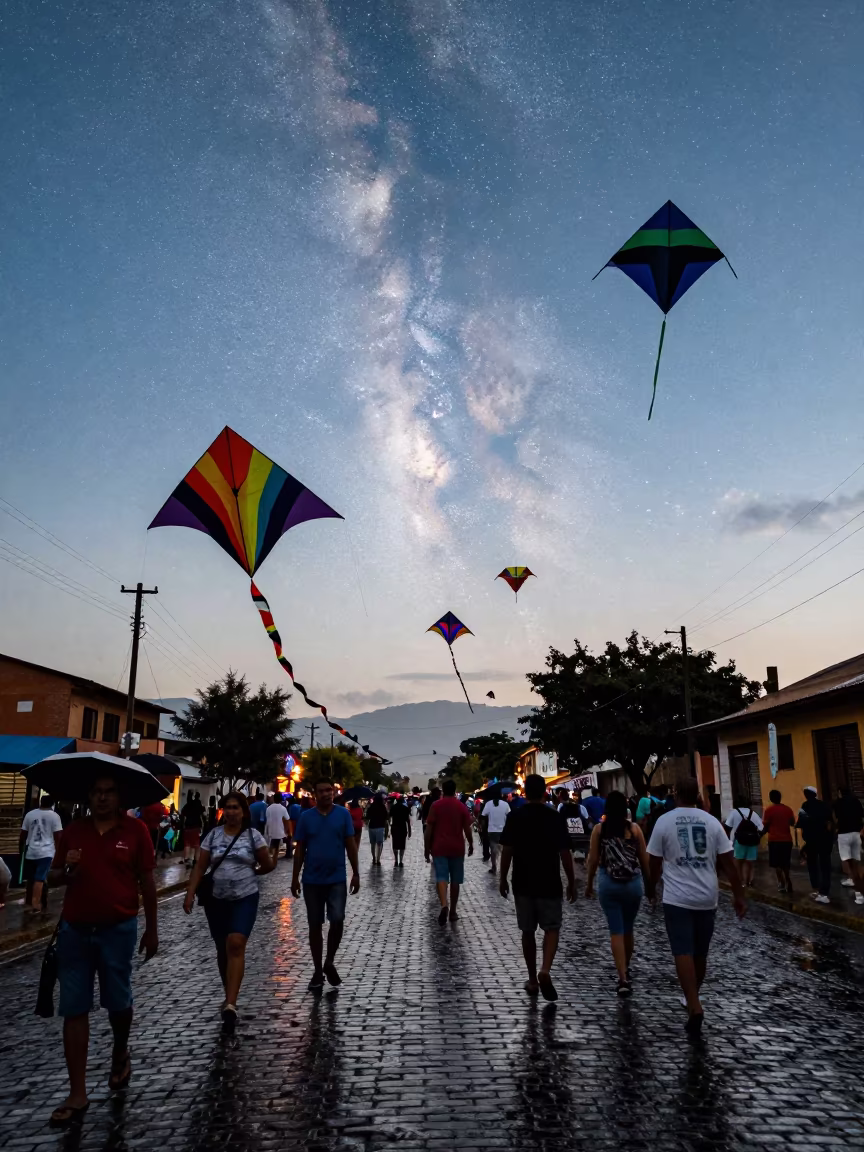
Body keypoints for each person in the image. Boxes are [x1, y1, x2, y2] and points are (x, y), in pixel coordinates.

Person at [46, 774, 158, 1127]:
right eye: (96, 791)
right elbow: (51, 877)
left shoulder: (135, 831)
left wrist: (152, 929)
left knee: (118, 1002)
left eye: (109, 792)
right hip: (75, 930)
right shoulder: (73, 832)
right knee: (74, 1008)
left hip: (118, 930)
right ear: (89, 795)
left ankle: (120, 1051)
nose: (102, 798)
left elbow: (148, 881)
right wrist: (66, 871)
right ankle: (77, 1093)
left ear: (118, 797)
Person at [647, 777, 746, 1037]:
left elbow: (654, 862)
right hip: (707, 896)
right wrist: (739, 895)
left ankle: (693, 1002)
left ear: (676, 793)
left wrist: (650, 888)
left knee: (682, 950)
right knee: (700, 953)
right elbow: (729, 863)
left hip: (677, 897)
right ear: (698, 796)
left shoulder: (664, 821)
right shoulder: (712, 822)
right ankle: (693, 997)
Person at [184, 791, 272, 1034]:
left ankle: (231, 1002)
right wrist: (190, 893)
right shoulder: (212, 836)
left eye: (236, 807)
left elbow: (267, 864)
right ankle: (228, 994)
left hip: (245, 897)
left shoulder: (253, 836)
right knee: (222, 949)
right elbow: (201, 865)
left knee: (236, 943)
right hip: (216, 900)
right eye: (228, 807)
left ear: (243, 812)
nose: (232, 812)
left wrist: (251, 873)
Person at [499, 773, 576, 1001]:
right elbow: (565, 853)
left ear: (525, 793)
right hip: (549, 880)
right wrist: (571, 881)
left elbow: (507, 850)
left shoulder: (516, 816)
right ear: (544, 792)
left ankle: (532, 979)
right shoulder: (554, 817)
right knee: (552, 928)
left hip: (523, 881)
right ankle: (546, 969)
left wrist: (503, 878)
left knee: (527, 931)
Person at [292, 779, 360, 989]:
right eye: (321, 791)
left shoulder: (343, 815)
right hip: (312, 880)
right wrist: (295, 877)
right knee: (315, 924)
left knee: (337, 919)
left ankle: (329, 960)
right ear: (314, 794)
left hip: (337, 878)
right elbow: (300, 849)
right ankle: (317, 971)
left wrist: (356, 873)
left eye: (329, 790)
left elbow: (350, 845)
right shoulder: (306, 818)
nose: (326, 794)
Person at [584, 790, 652, 996]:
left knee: (616, 930)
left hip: (608, 883)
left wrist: (588, 884)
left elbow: (593, 860)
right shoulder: (635, 830)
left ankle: (622, 977)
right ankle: (627, 967)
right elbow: (644, 860)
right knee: (628, 929)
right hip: (633, 885)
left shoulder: (599, 830)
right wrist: (650, 886)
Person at [425, 779, 474, 925]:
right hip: (457, 848)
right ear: (454, 790)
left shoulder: (435, 806)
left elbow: (429, 830)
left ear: (443, 790)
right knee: (455, 880)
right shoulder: (461, 807)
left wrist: (426, 848)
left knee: (441, 877)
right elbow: (467, 828)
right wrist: (471, 843)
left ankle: (444, 905)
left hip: (439, 847)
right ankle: (453, 911)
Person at [19, 795, 63, 914]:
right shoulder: (55, 816)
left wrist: (22, 849)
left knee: (32, 878)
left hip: (31, 851)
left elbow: (23, 834)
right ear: (52, 804)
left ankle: (35, 901)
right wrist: (59, 853)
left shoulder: (30, 814)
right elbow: (58, 836)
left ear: (40, 802)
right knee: (40, 879)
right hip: (46, 852)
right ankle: (35, 904)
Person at [798, 786, 835, 903]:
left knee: (812, 865)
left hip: (811, 841)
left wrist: (805, 838)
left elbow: (802, 824)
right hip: (825, 840)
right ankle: (825, 892)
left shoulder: (804, 806)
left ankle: (816, 889)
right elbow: (830, 822)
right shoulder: (824, 805)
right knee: (825, 865)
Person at [760, 789, 797, 894]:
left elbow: (766, 826)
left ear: (771, 798)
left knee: (777, 864)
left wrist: (760, 834)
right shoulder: (788, 809)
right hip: (787, 840)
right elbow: (792, 822)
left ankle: (781, 883)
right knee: (785, 862)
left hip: (774, 840)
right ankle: (788, 879)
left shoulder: (769, 810)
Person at [724, 796, 764, 888]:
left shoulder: (734, 813)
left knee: (738, 862)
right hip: (752, 841)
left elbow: (727, 827)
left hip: (738, 840)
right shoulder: (753, 813)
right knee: (750, 862)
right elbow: (761, 828)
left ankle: (740, 881)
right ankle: (749, 881)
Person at [833, 786, 864, 905]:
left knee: (849, 865)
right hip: (856, 834)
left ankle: (859, 893)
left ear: (840, 793)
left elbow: (834, 819)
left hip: (844, 835)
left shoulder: (837, 803)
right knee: (856, 862)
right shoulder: (856, 801)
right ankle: (857, 886)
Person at [481, 793, 510, 875]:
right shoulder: (505, 804)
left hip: (492, 831)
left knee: (493, 850)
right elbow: (509, 816)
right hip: (503, 831)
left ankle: (494, 867)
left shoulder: (488, 804)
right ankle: (502, 868)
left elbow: (483, 816)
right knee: (502, 850)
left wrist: (483, 830)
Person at [265, 794, 292, 865]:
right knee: (276, 846)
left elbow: (267, 818)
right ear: (281, 800)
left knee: (273, 844)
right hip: (280, 830)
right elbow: (287, 819)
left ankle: (272, 858)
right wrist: (288, 831)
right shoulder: (283, 808)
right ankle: (274, 860)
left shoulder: (269, 808)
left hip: (270, 830)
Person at [180, 791, 204, 867]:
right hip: (196, 826)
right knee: (196, 844)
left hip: (187, 826)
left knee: (187, 843)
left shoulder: (188, 805)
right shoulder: (198, 805)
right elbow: (202, 814)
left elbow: (183, 813)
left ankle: (187, 859)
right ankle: (196, 860)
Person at [366, 794, 389, 865]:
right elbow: (386, 818)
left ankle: (373, 858)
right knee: (379, 843)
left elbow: (367, 817)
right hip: (380, 827)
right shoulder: (383, 807)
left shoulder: (371, 807)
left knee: (372, 844)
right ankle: (378, 859)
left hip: (372, 827)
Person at [389, 796, 412, 866]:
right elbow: (408, 821)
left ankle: (396, 860)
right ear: (402, 801)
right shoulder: (405, 809)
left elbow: (389, 817)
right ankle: (401, 861)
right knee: (402, 845)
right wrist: (409, 830)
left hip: (395, 827)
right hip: (403, 828)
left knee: (395, 845)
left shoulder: (393, 808)